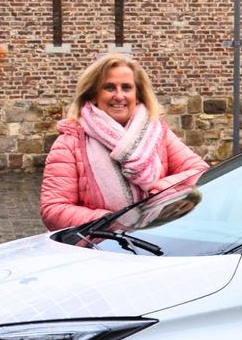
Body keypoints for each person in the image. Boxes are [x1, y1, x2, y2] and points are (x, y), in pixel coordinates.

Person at [40, 53, 208, 231]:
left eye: (127, 88)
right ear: (94, 96)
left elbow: (200, 171)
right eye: (109, 87)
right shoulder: (69, 142)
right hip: (98, 248)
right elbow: (54, 210)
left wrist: (159, 194)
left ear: (137, 95)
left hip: (154, 244)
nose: (119, 96)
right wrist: (114, 223)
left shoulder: (157, 133)